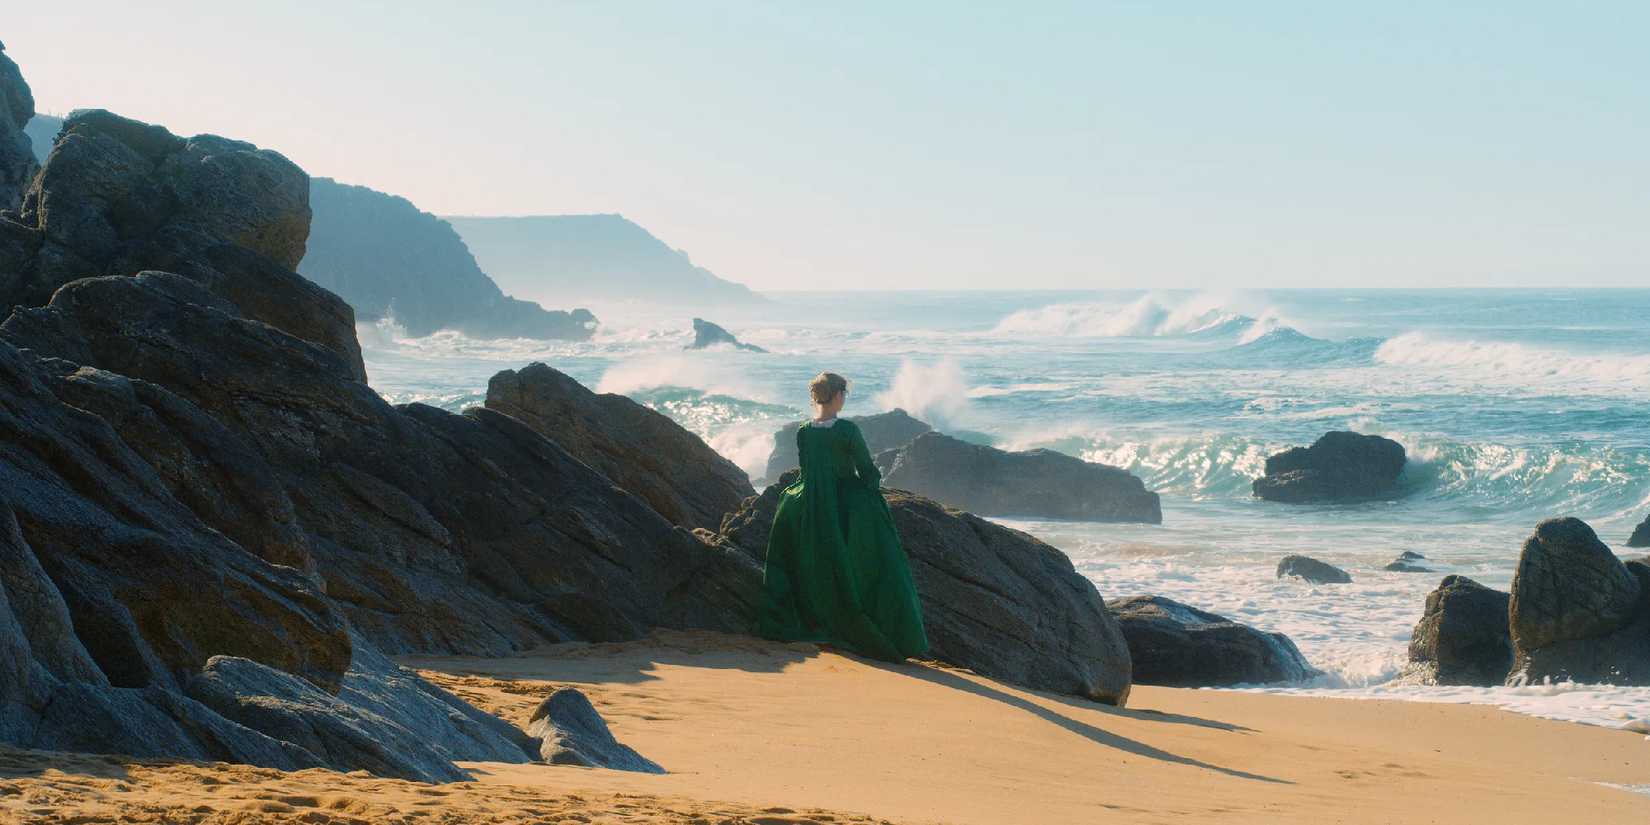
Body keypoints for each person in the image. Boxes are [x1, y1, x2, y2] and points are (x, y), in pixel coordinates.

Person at [756, 372, 929, 662]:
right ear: (837, 395)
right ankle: (890, 632)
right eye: (844, 394)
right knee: (885, 562)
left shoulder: (804, 431)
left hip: (811, 501)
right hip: (845, 501)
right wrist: (871, 493)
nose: (844, 399)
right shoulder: (847, 430)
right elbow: (866, 470)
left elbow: (807, 471)